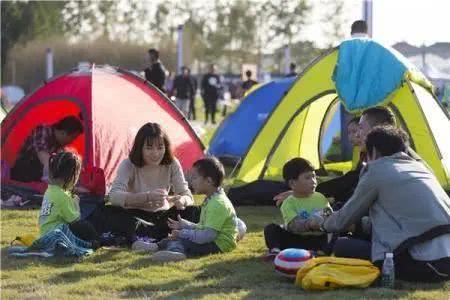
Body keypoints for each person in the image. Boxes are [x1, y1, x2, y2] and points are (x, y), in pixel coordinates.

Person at [321, 126, 450, 283]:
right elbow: (401, 219)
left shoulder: (377, 170)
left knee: (342, 246)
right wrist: (359, 226)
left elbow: (342, 221)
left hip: (425, 263)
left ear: (373, 151)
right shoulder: (422, 168)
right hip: (444, 255)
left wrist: (320, 222)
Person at [104, 122, 197, 248]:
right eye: (149, 148)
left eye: (160, 147)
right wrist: (147, 197)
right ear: (140, 148)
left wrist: (182, 200)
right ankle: (159, 238)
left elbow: (187, 196)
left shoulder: (172, 163)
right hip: (135, 215)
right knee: (111, 213)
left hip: (162, 216)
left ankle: (146, 239)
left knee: (194, 211)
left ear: (166, 147)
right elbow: (114, 196)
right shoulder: (128, 164)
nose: (155, 153)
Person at [148, 157, 239, 262]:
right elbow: (203, 228)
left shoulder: (217, 204)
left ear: (209, 181)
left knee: (181, 240)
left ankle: (176, 252)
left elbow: (207, 236)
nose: (191, 181)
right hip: (214, 240)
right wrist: (185, 225)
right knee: (177, 237)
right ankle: (155, 246)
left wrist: (183, 233)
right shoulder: (212, 199)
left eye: (195, 178)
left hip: (218, 245)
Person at [263, 158, 332, 260]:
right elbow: (293, 225)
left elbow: (329, 213)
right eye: (307, 178)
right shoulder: (288, 203)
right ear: (292, 183)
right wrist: (309, 224)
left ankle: (321, 252)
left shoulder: (320, 198)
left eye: (314, 177)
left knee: (333, 233)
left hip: (317, 237)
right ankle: (275, 251)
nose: (313, 181)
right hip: (296, 239)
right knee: (271, 228)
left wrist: (325, 219)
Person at [39, 151, 99, 248]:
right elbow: (75, 220)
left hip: (45, 234)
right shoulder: (63, 195)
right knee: (86, 226)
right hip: (57, 236)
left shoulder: (50, 190)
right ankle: (93, 243)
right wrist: (76, 204)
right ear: (72, 176)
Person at [10, 115, 84, 183]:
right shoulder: (43, 131)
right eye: (72, 138)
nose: (72, 141)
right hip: (22, 173)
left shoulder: (59, 145)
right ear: (63, 133)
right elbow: (43, 156)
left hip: (36, 177)